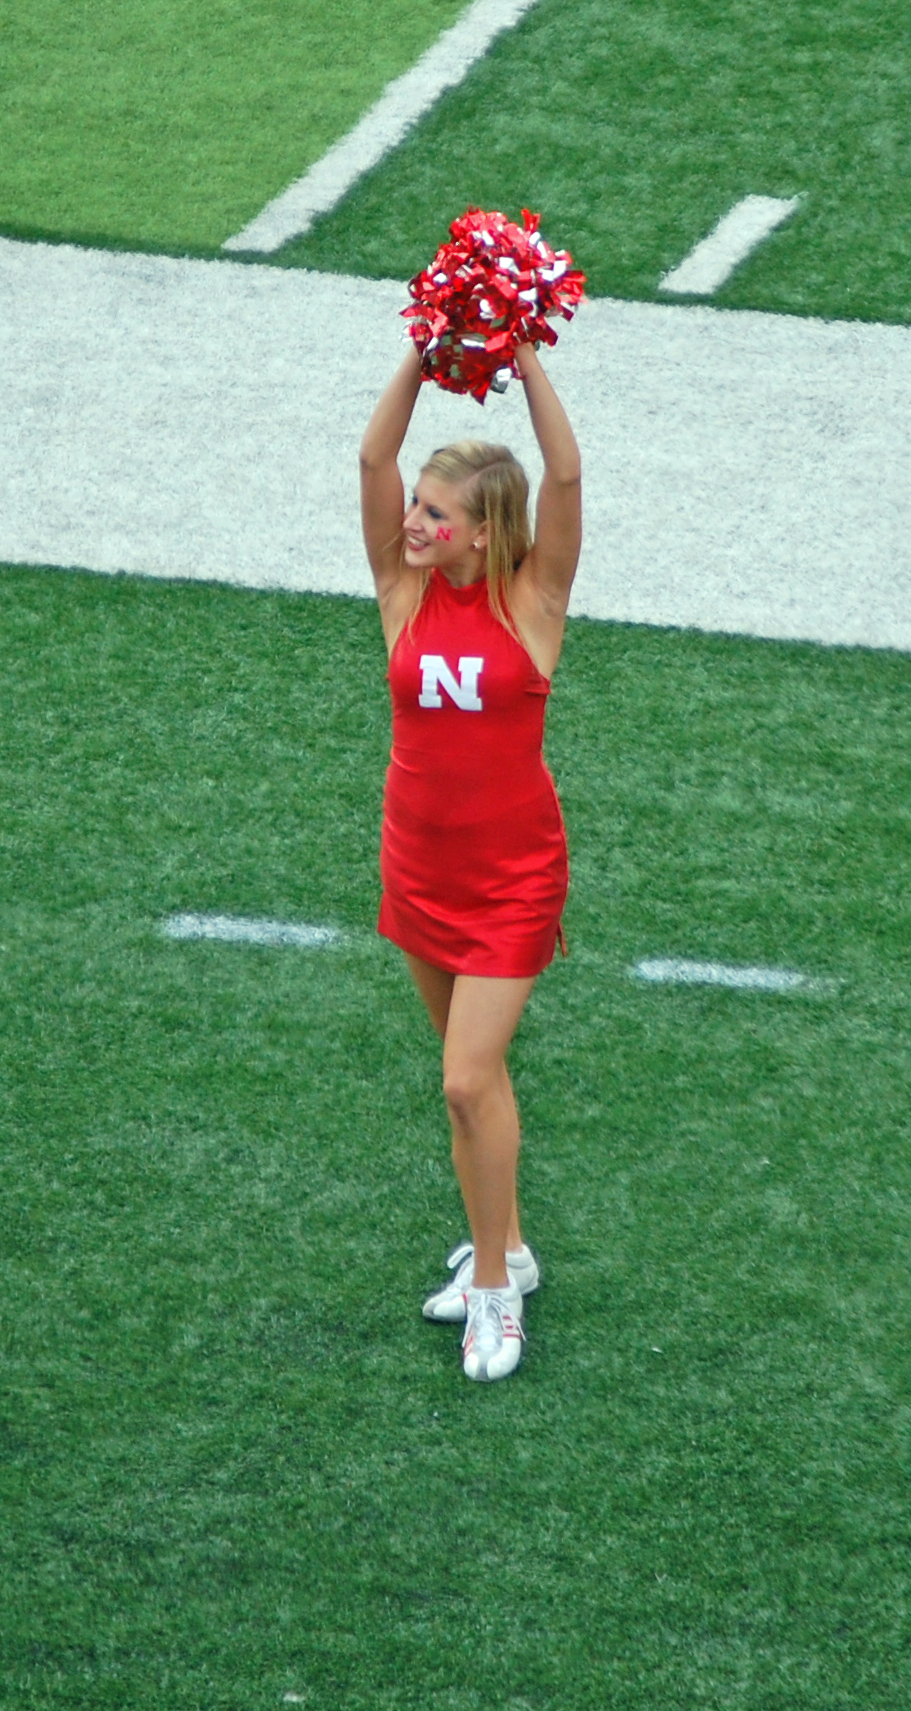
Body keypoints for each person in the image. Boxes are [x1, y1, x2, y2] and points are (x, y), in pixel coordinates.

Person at [357, 342, 582, 1382]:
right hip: (418, 863)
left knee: (463, 1077)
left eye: (438, 514)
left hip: (510, 874)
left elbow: (566, 478)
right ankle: (510, 1248)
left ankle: (494, 1291)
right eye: (418, 504)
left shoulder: (530, 603)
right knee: (469, 1087)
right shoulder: (401, 591)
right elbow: (370, 461)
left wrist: (524, 355)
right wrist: (422, 347)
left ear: (486, 531)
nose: (415, 520)